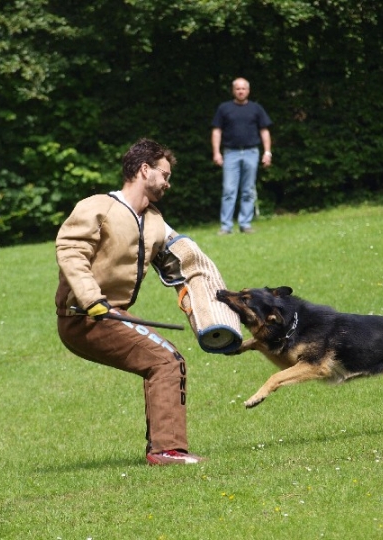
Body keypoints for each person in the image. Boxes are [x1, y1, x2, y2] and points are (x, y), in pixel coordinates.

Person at [55, 138, 206, 466]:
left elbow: (177, 261)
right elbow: (70, 250)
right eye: (164, 174)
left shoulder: (154, 219)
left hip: (112, 313)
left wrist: (200, 305)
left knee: (166, 361)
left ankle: (164, 448)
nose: (168, 182)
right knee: (166, 361)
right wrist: (92, 299)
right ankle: (166, 451)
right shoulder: (98, 206)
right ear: (144, 169)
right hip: (83, 314)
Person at [211, 77, 273, 235]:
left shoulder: (256, 108)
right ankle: (226, 226)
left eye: (243, 88)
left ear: (248, 90)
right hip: (230, 153)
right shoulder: (224, 108)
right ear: (233, 91)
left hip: (252, 152)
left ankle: (245, 224)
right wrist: (216, 152)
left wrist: (267, 152)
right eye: (237, 88)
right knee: (229, 190)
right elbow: (216, 131)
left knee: (248, 190)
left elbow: (264, 131)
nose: (240, 91)